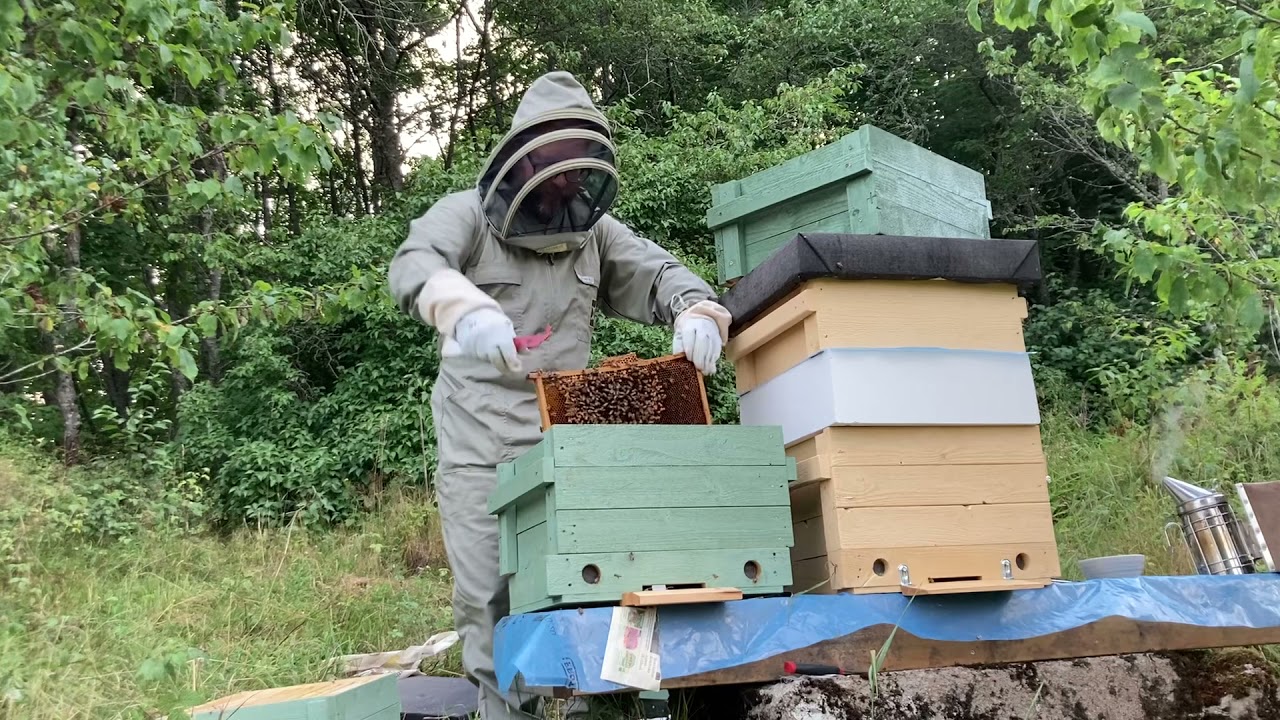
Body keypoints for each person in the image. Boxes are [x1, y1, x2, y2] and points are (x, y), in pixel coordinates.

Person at [387, 71, 732, 719]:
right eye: (556, 168)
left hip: (566, 451)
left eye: (578, 172)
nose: (568, 184)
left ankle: (592, 711)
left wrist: (696, 312)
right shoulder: (464, 215)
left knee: (594, 590)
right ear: (526, 154)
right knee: (490, 603)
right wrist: (460, 307)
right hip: (479, 446)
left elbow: (657, 273)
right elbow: (413, 263)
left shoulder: (593, 233)